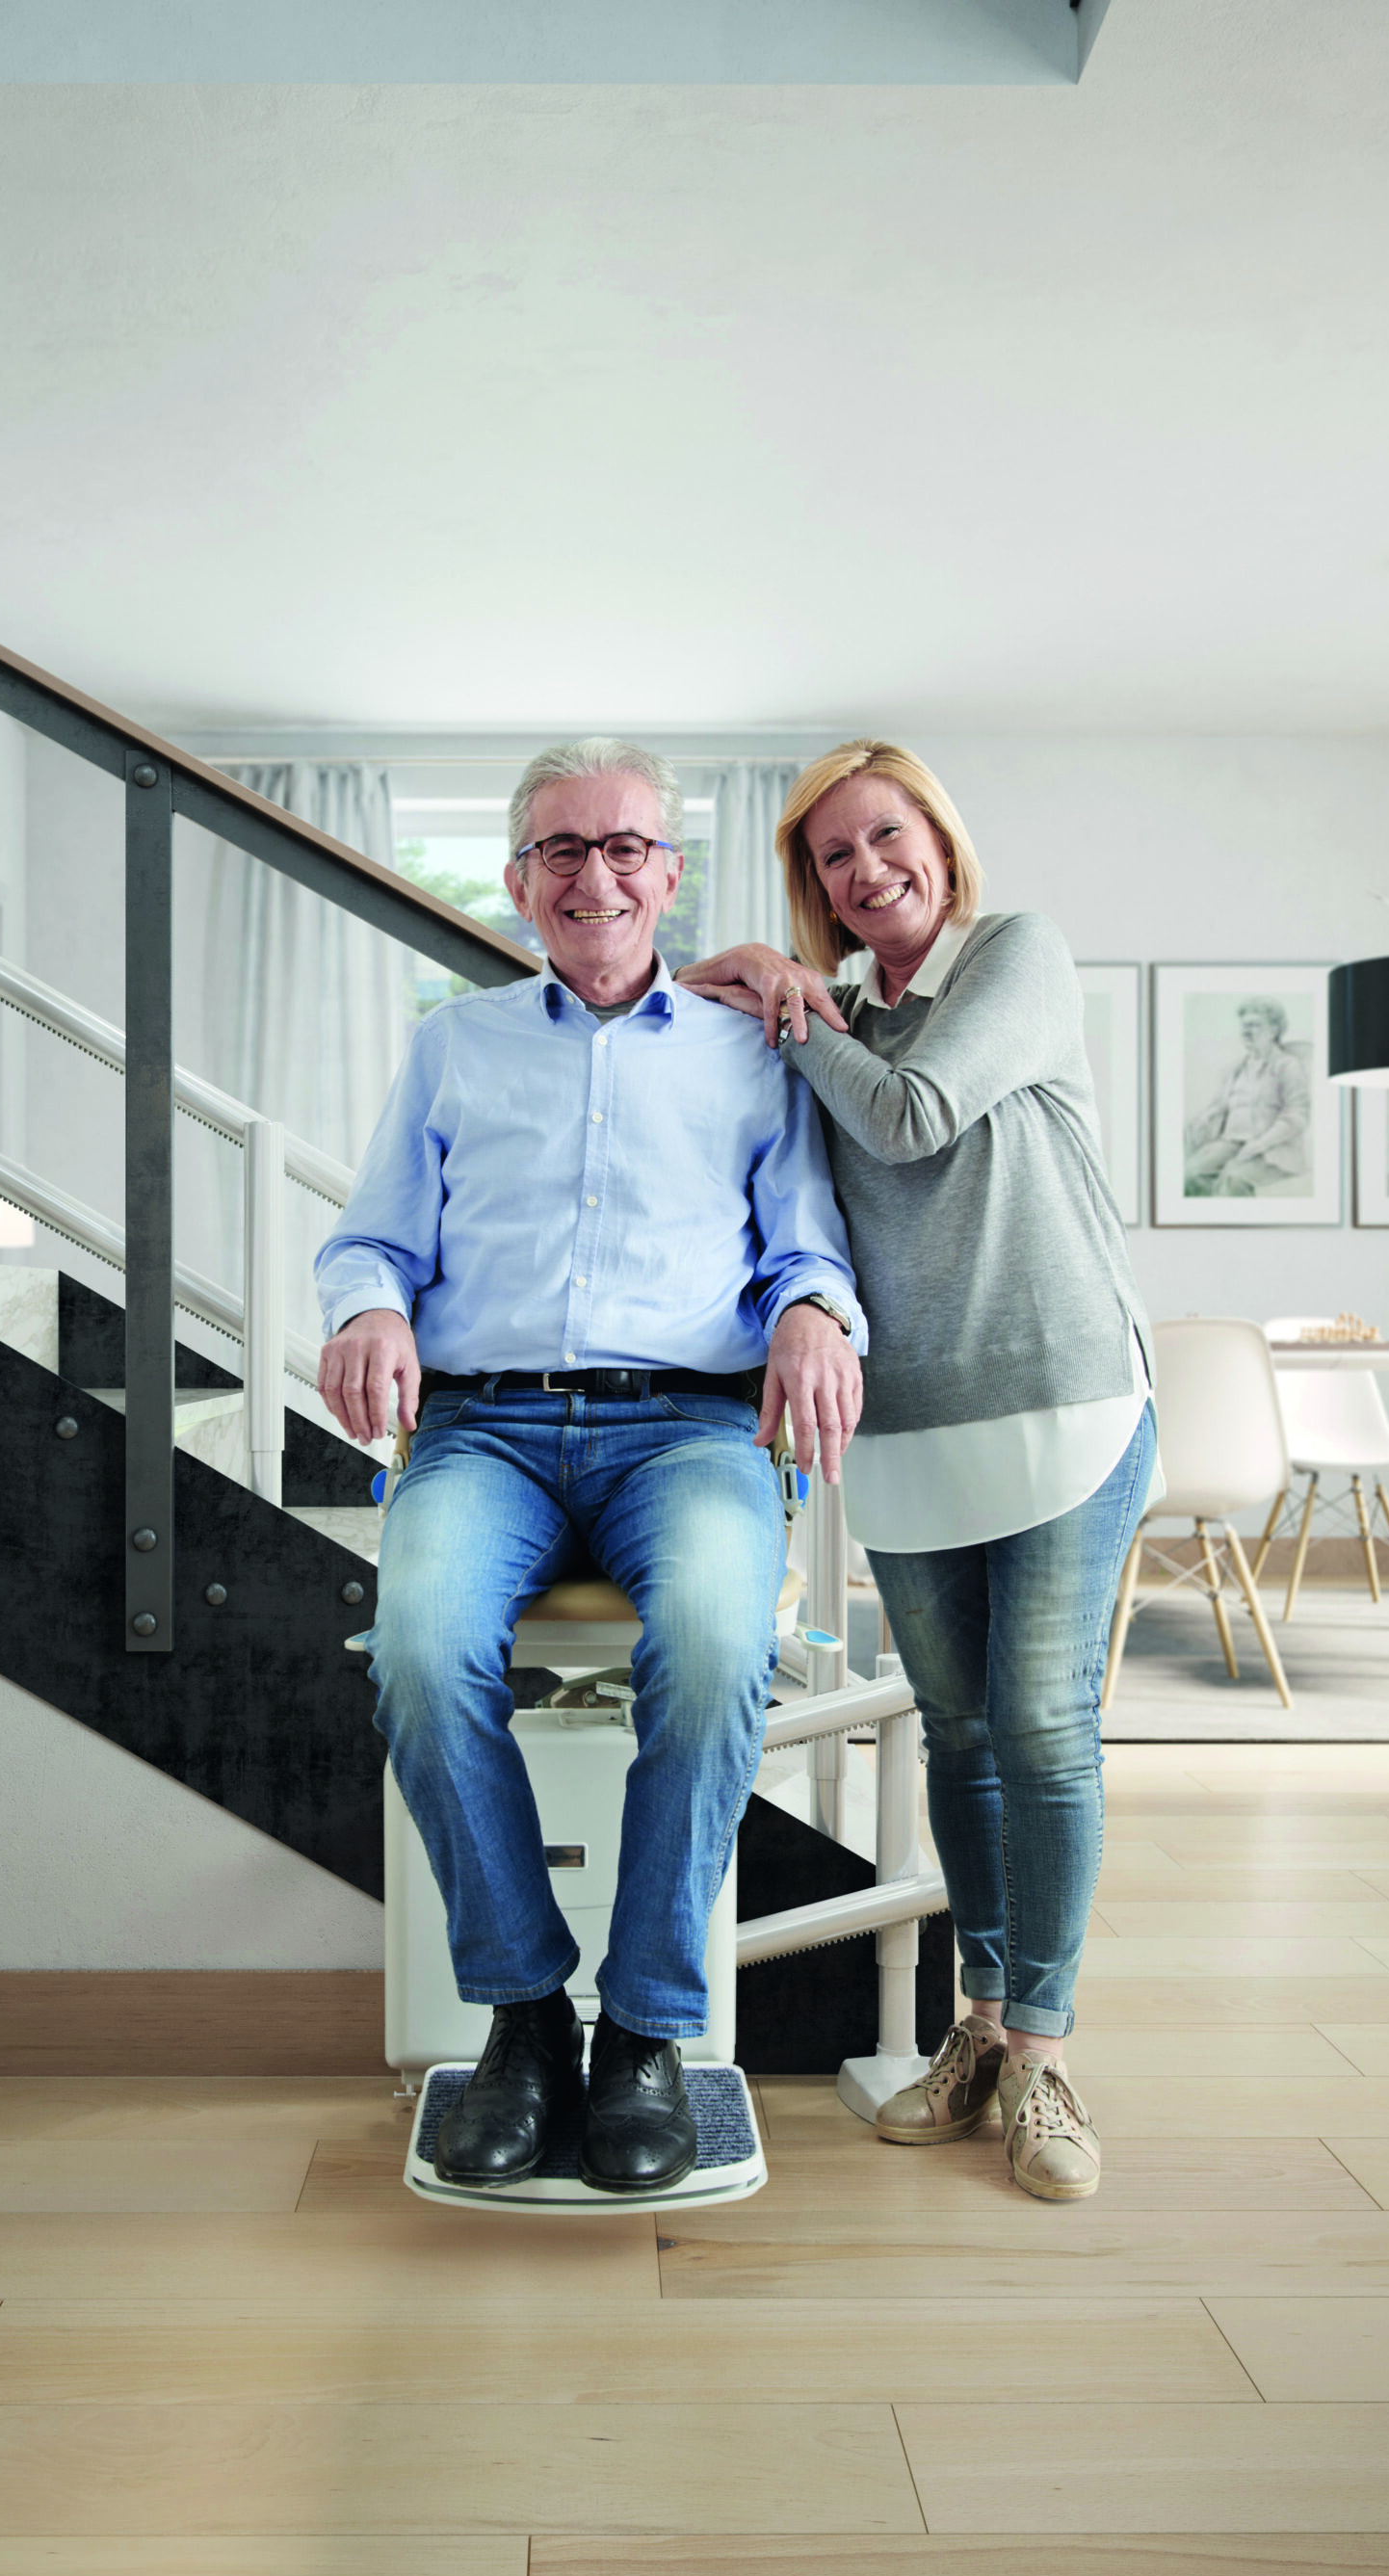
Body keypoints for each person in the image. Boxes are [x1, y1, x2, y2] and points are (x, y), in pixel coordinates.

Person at [316, 737, 865, 2196]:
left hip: (689, 1427)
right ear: (516, 882)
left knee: (710, 1642)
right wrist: (369, 1299)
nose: (595, 872)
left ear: (670, 875)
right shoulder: (454, 1041)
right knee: (422, 1651)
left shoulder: (758, 1046)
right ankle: (521, 2019)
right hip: (484, 1429)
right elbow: (373, 1234)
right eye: (562, 848)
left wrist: (815, 1307)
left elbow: (805, 1234)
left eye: (626, 846)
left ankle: (644, 2030)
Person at [679, 739, 1155, 2202]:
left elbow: (914, 1114)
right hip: (904, 1426)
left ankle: (1047, 2052)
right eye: (833, 856)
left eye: (886, 836)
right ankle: (983, 2026)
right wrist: (762, 991)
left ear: (938, 840)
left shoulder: (1017, 954)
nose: (867, 868)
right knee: (954, 1732)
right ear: (814, 884)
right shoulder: (828, 1015)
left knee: (1041, 1723)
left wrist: (779, 994)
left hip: (1066, 1401)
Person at [1183, 998, 1309, 1197]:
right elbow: (1220, 1107)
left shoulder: (1287, 1066)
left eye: (1255, 1025)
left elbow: (1297, 1116)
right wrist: (1202, 1120)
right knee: (1189, 1172)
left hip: (1272, 1150)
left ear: (1274, 1030)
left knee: (1233, 1178)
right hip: (1230, 1144)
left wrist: (1260, 1144)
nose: (1246, 1032)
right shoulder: (1235, 1069)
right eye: (1244, 1026)